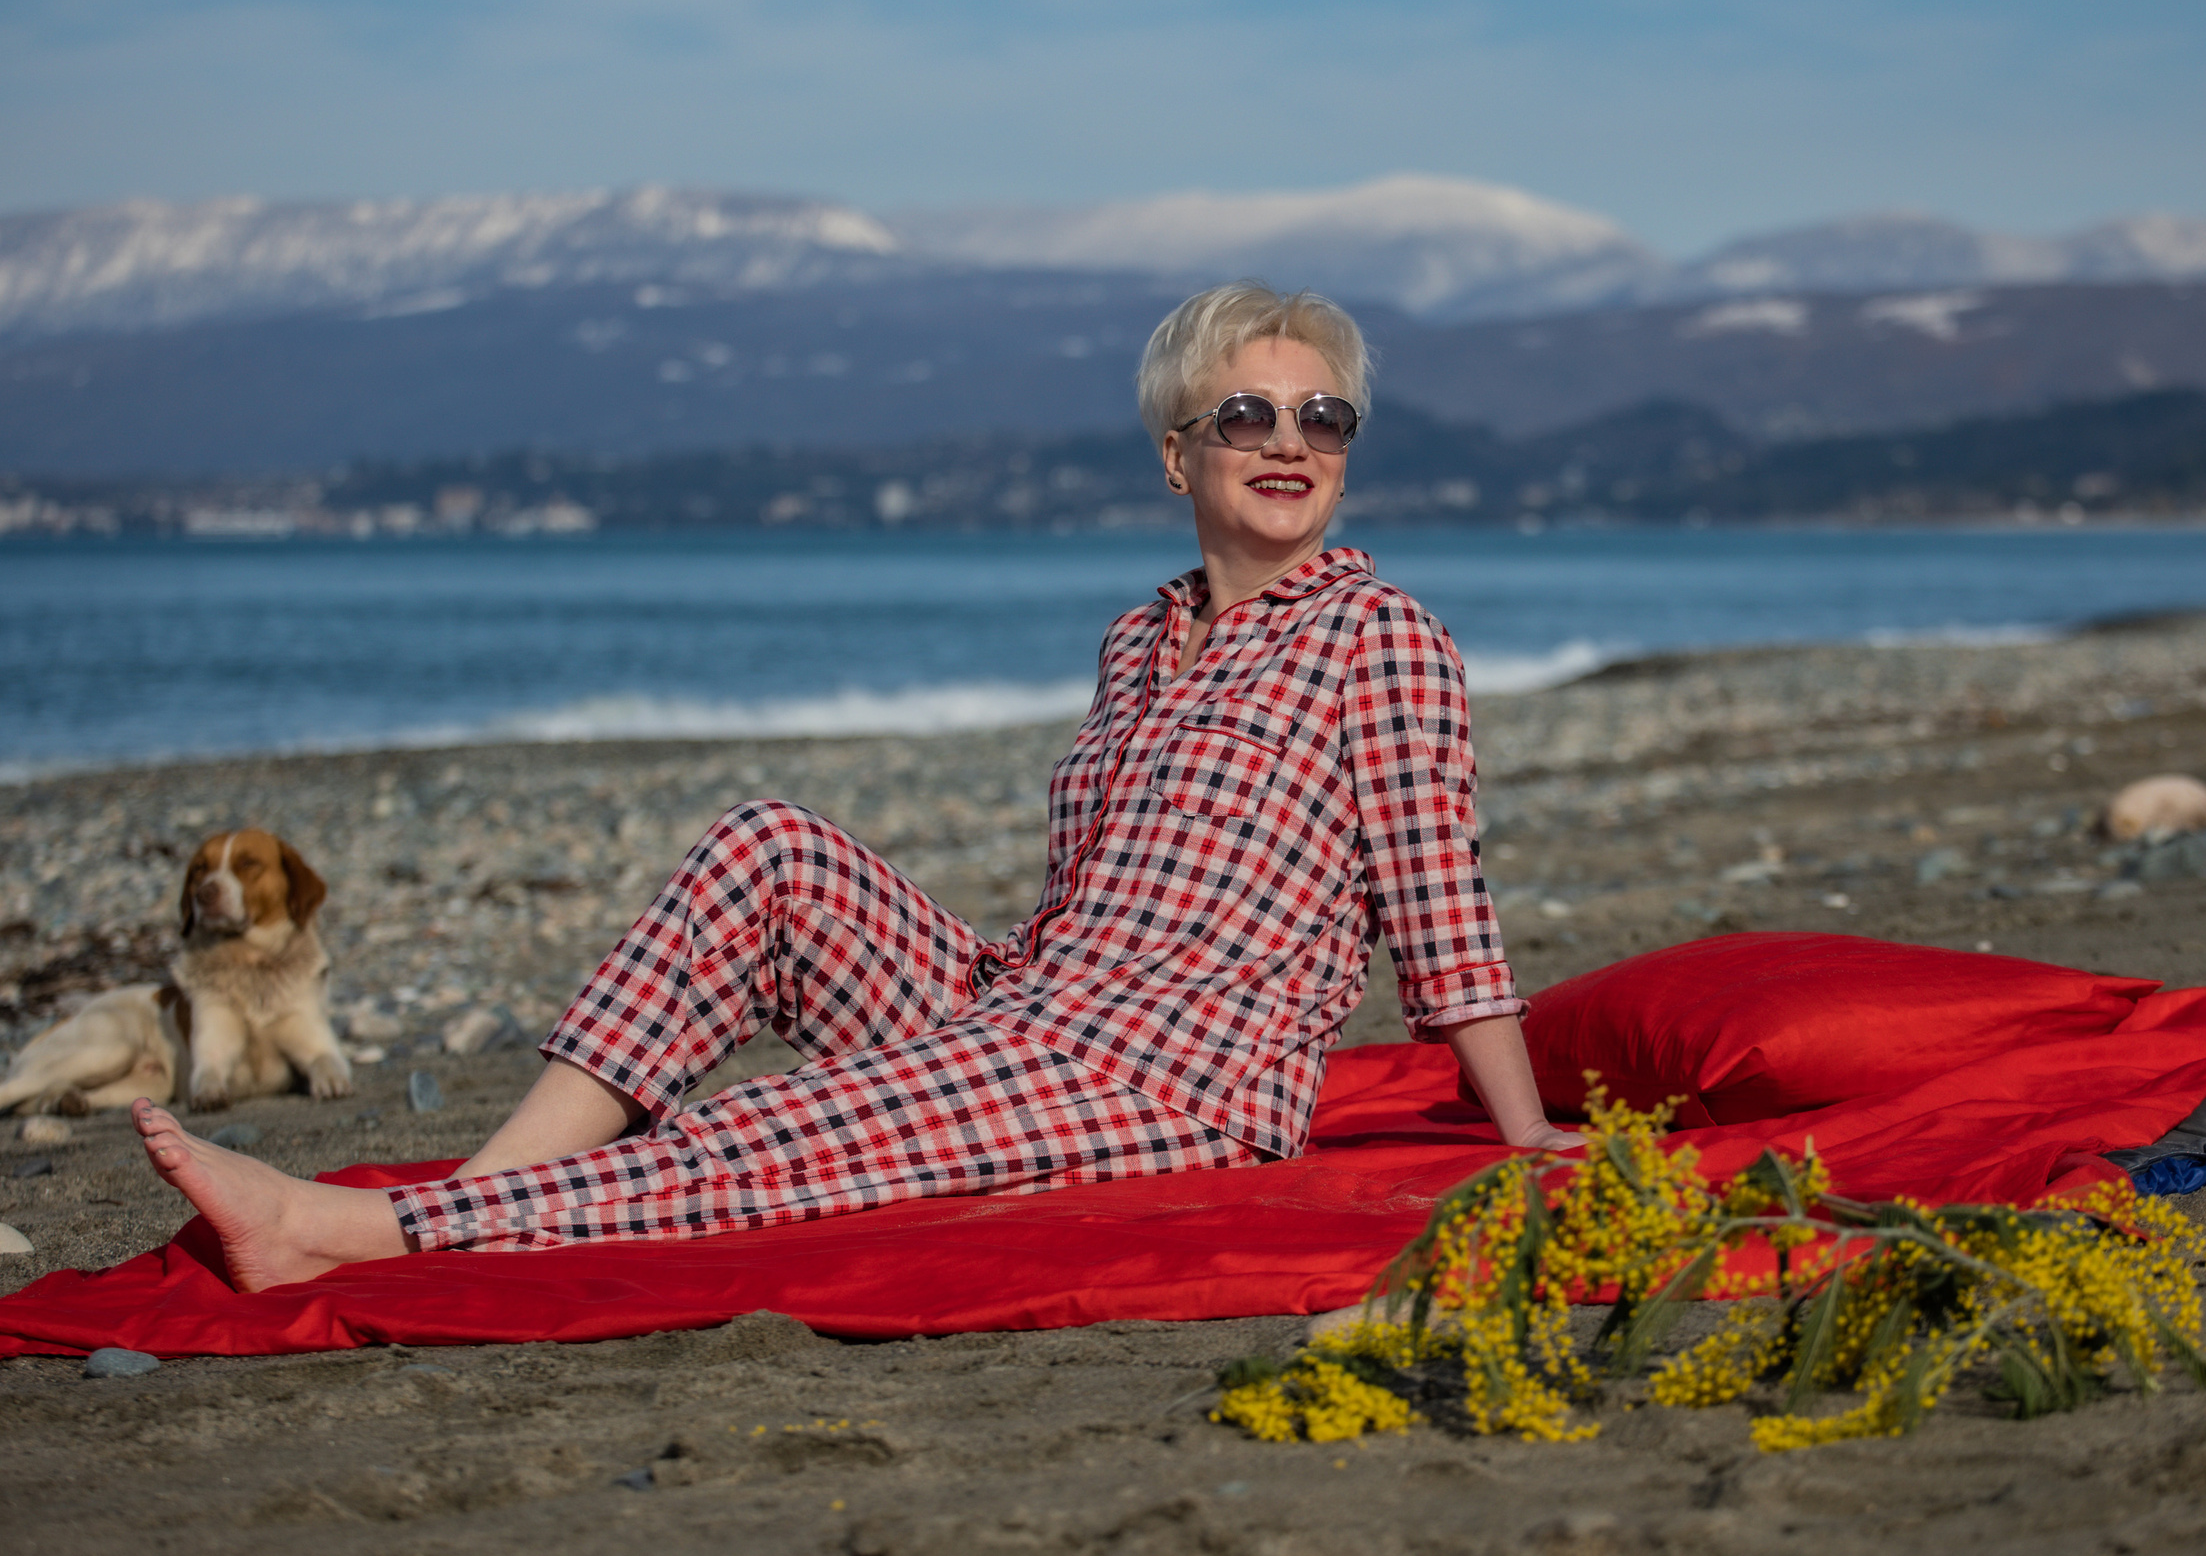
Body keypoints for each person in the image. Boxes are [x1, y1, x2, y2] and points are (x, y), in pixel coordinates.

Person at [133, 280, 1576, 1294]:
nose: (1287, 441)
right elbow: (1079, 914)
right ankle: (487, 1195)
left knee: (787, 1129)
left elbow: (1438, 903)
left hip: (1173, 1068)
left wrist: (1518, 1136)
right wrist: (996, 1008)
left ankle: (358, 1235)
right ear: (1176, 453)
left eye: (1321, 417)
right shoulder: (1139, 638)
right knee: (773, 851)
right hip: (1031, 1007)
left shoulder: (1377, 635)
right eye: (1248, 414)